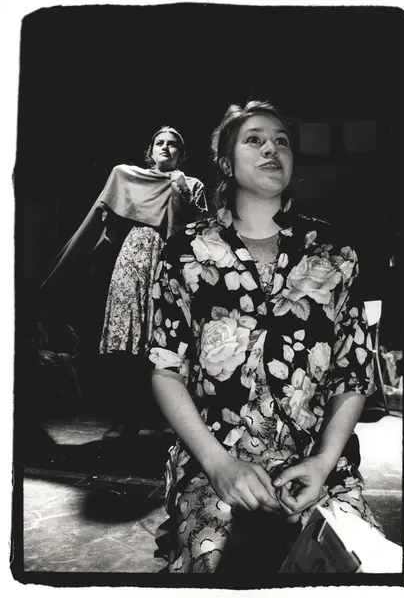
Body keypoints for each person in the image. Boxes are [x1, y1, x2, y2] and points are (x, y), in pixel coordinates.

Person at [146, 101, 383, 573]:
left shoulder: (336, 255)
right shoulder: (184, 251)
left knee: (358, 567)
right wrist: (218, 465)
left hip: (317, 462)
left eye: (281, 141)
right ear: (226, 162)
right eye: (254, 139)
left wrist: (322, 463)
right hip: (214, 461)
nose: (271, 148)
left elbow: (352, 374)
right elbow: (165, 369)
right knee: (209, 562)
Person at [42, 126, 207, 439]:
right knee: (127, 342)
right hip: (133, 260)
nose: (166, 148)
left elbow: (199, 230)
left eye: (173, 144)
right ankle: (125, 418)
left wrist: (182, 194)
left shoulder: (192, 184)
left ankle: (163, 417)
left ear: (182, 154)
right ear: (150, 151)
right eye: (160, 143)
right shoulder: (128, 176)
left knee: (163, 341)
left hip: (169, 262)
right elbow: (107, 221)